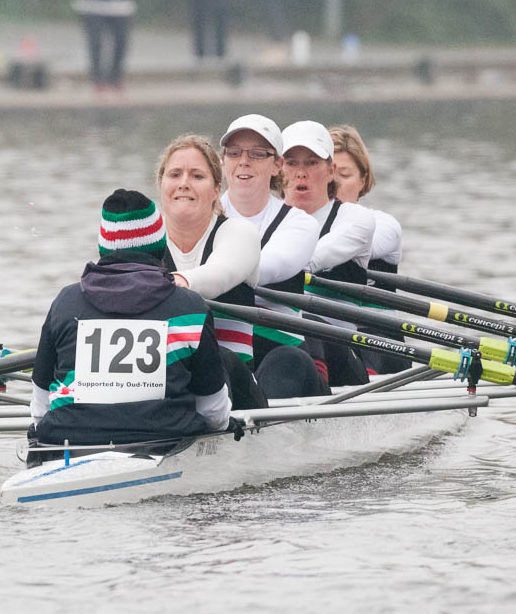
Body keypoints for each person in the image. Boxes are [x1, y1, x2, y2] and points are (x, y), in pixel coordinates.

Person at [28, 190, 229, 455]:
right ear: (159, 247)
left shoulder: (66, 303)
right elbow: (214, 413)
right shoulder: (190, 307)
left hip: (68, 443)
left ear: (104, 249)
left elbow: (40, 409)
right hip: (166, 443)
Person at [216, 114, 330, 398]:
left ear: (277, 165)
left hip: (281, 356)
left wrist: (187, 278)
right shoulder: (201, 216)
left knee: (288, 361)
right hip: (222, 352)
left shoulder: (299, 223)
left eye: (257, 154)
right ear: (222, 161)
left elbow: (265, 268)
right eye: (234, 153)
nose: (244, 161)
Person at [152, 133, 265, 408]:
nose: (184, 183)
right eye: (175, 174)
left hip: (236, 390)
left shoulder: (239, 232)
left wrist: (167, 284)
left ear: (216, 189)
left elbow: (219, 274)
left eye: (197, 176)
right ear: (161, 184)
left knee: (220, 357)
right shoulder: (146, 241)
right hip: (164, 383)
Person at [281, 119, 376, 386]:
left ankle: (316, 395)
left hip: (342, 358)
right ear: (278, 168)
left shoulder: (355, 219)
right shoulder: (264, 218)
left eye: (312, 163)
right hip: (282, 350)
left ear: (331, 170)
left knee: (304, 323)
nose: (301, 173)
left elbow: (309, 259)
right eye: (292, 163)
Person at [330, 124, 410, 375]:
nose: (334, 184)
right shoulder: (296, 226)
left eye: (344, 175)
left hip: (380, 342)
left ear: (362, 180)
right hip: (327, 338)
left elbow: (350, 246)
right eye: (328, 174)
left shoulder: (384, 224)